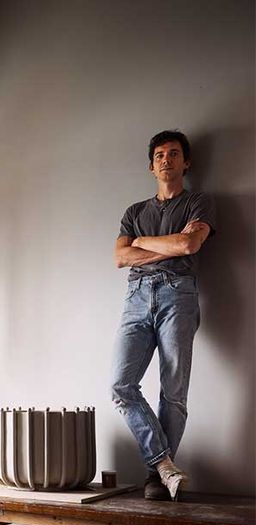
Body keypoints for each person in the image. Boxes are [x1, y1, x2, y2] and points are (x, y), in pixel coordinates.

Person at [112, 130, 215, 501]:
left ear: (186, 162)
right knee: (121, 385)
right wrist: (166, 246)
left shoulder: (198, 202)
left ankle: (155, 479)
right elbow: (121, 257)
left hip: (179, 293)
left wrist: (143, 244)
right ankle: (163, 463)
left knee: (173, 391)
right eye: (159, 155)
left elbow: (189, 244)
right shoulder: (135, 212)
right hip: (137, 296)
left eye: (174, 153)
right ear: (151, 165)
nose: (166, 159)